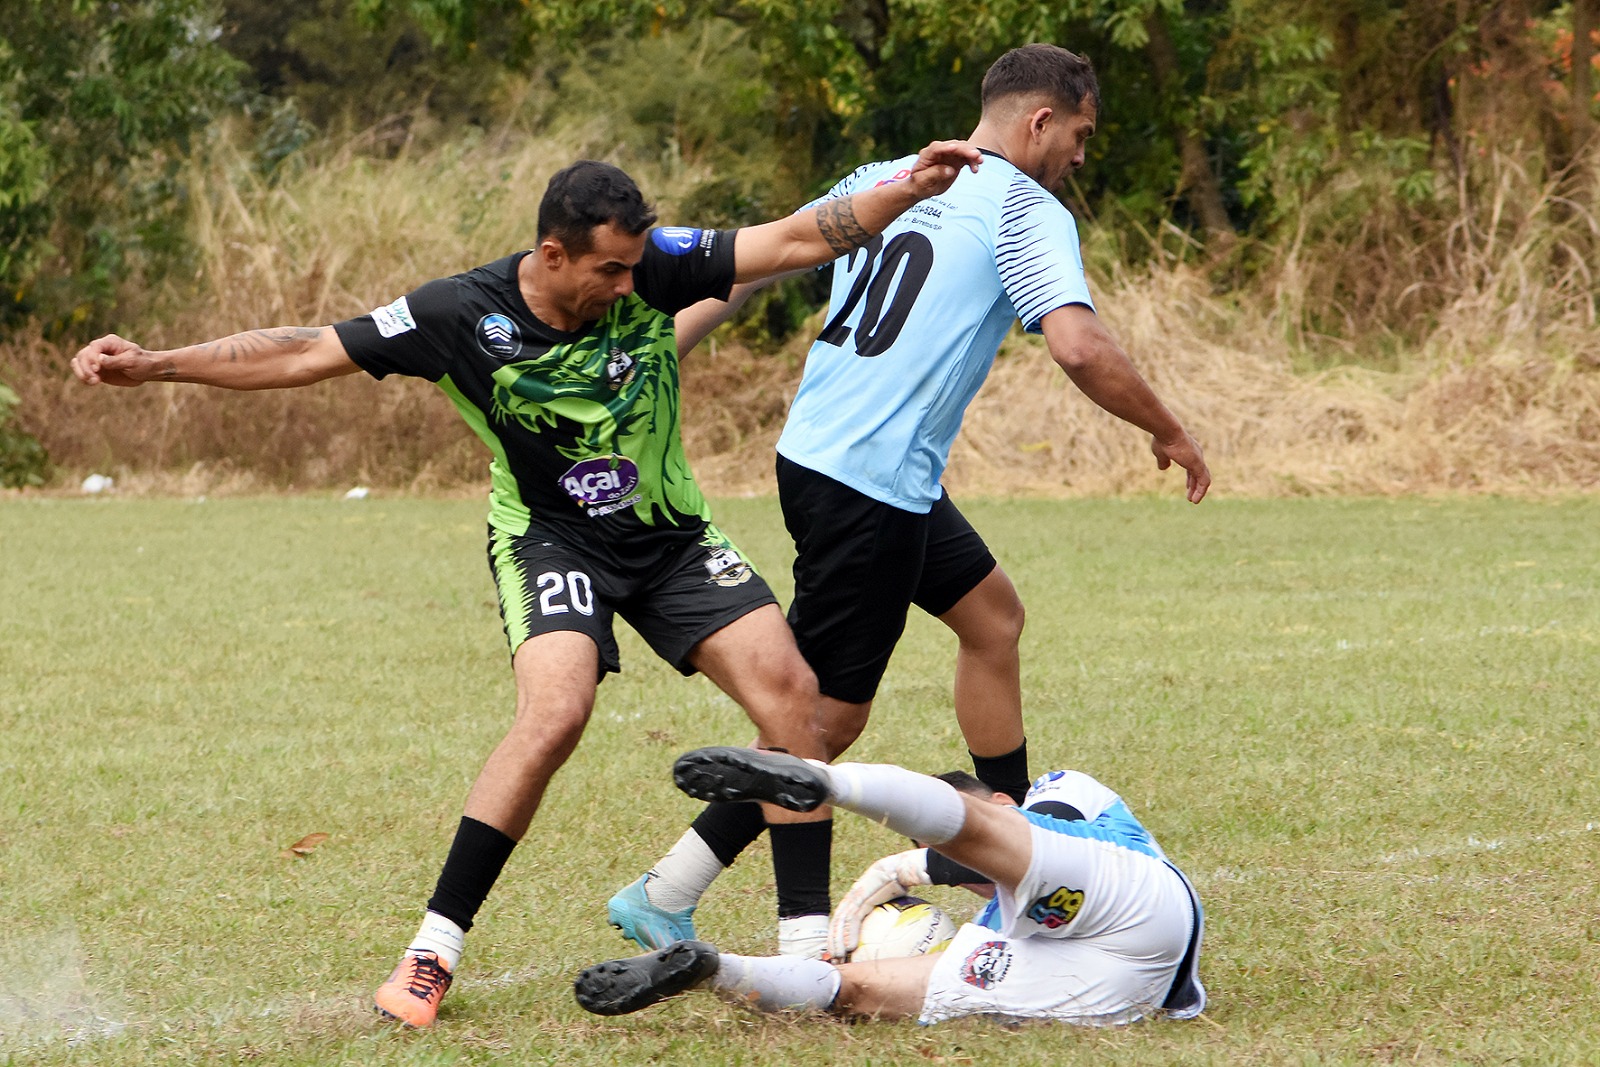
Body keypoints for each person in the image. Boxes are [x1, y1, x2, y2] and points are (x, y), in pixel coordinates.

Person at [68, 142, 982, 1029]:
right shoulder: (457, 313)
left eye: (635, 269)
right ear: (552, 253)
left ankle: (806, 948)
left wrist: (910, 185)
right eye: (611, 271)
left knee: (795, 703)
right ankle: (432, 948)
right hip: (552, 543)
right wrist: (156, 363)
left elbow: (792, 238)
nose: (631, 288)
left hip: (669, 536)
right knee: (556, 711)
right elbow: (308, 350)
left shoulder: (654, 262)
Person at [609, 44, 1211, 960]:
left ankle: (1002, 847)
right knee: (820, 722)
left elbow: (747, 268)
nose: (1081, 156)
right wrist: (1168, 429)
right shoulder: (1024, 207)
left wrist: (658, 361)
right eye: (1080, 135)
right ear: (1039, 121)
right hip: (870, 485)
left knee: (994, 617)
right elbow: (1079, 347)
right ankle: (667, 890)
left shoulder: (889, 175)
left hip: (836, 461)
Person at [578, 746, 1205, 1026]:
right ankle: (712, 968)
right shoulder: (990, 927)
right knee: (853, 994)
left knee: (992, 835)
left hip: (1139, 911)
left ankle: (823, 782)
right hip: (1115, 989)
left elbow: (996, 843)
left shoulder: (1066, 794)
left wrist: (886, 876)